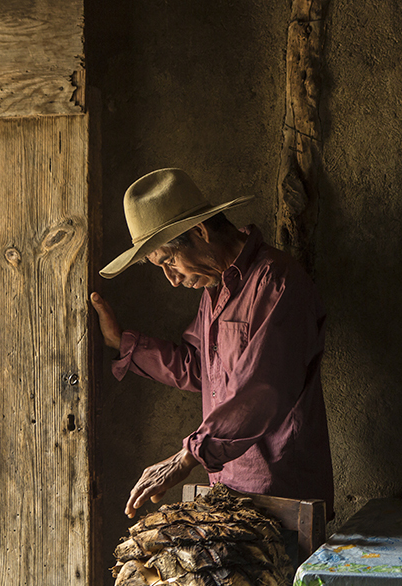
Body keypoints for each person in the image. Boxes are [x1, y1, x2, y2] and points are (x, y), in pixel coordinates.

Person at [90, 167, 334, 522]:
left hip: (284, 496)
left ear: (200, 231)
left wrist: (187, 456)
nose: (172, 280)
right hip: (232, 494)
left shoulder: (277, 283)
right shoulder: (215, 290)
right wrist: (124, 344)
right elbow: (200, 367)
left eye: (169, 261)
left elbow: (262, 390)